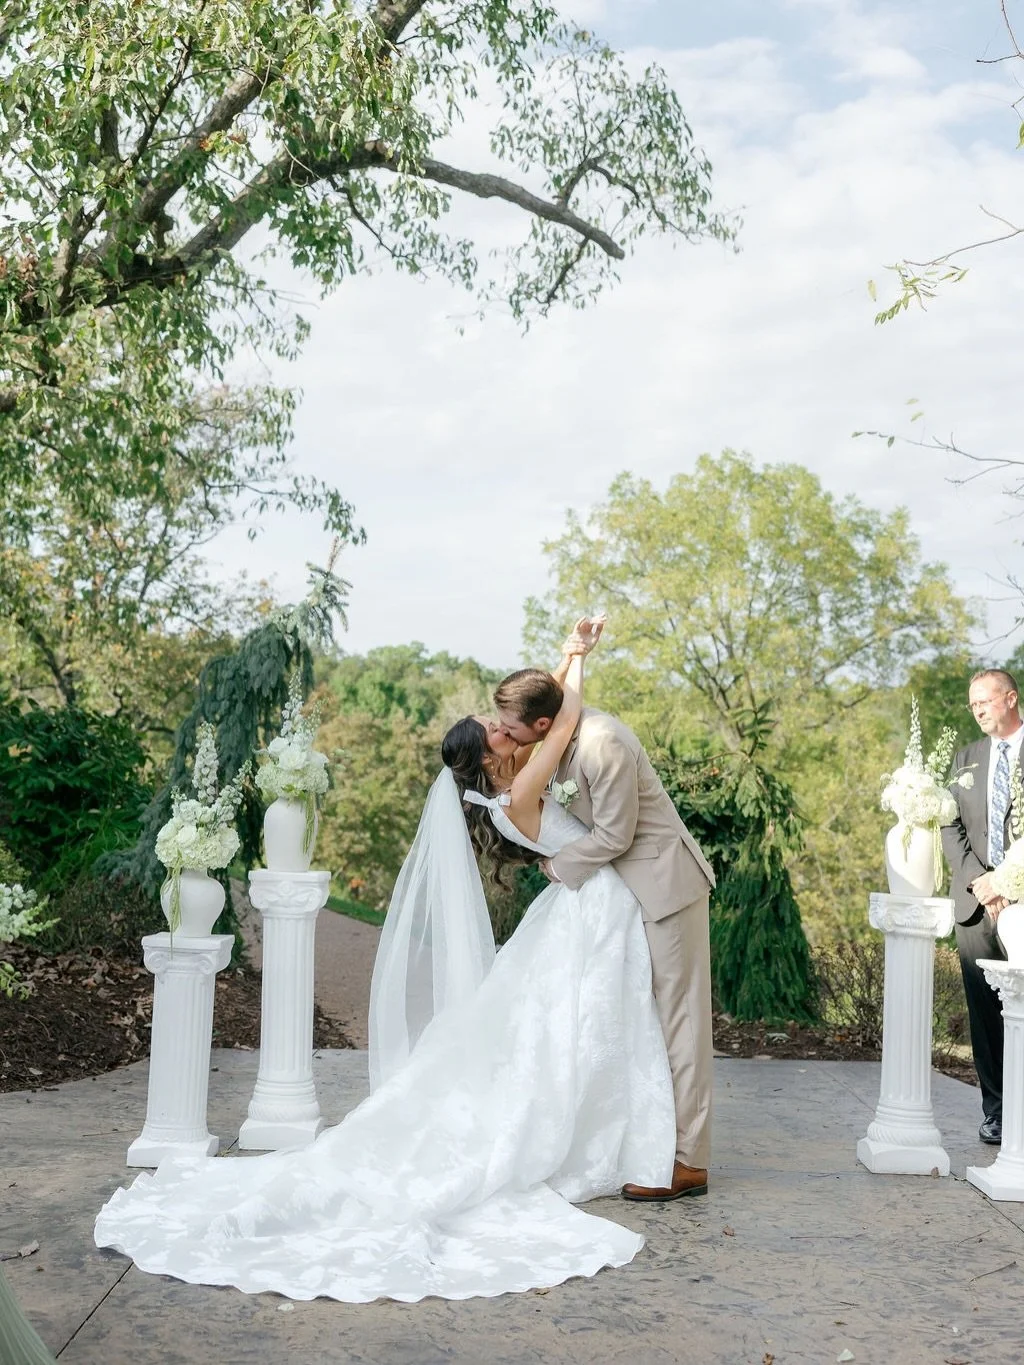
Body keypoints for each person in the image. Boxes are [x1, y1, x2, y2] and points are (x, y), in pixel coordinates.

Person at [94, 619, 678, 1303]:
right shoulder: (520, 791)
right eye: (494, 730)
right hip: (590, 903)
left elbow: (544, 710)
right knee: (576, 1022)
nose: (502, 728)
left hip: (583, 904)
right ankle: (594, 1133)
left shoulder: (504, 788)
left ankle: (599, 1121)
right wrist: (574, 665)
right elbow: (558, 717)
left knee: (571, 1025)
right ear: (491, 758)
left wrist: (574, 654)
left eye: (501, 722)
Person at [494, 628, 716, 1201]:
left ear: (542, 726)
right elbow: (553, 702)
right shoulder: (557, 732)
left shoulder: (604, 744)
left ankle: (690, 1161)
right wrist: (570, 658)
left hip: (664, 887)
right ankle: (649, 1137)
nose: (507, 739)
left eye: (512, 730)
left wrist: (559, 867)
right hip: (622, 893)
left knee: (680, 1020)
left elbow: (615, 834)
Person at [941, 667, 1024, 1146]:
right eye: (972, 704)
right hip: (975, 908)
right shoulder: (965, 760)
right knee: (986, 1016)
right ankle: (996, 1112)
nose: (977, 710)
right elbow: (950, 827)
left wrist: (1012, 882)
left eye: (985, 701)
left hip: (1021, 903)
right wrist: (981, 882)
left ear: (1010, 698)